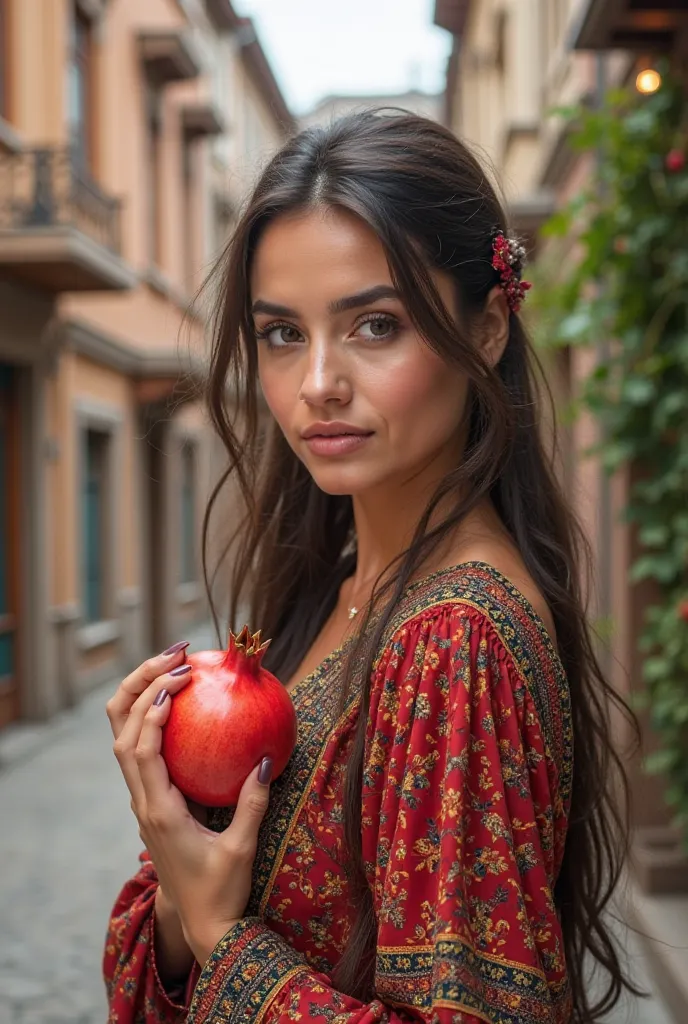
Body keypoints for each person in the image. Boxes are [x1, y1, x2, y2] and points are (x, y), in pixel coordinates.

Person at [103, 111, 638, 1023]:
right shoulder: (340, 582)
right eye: (281, 334)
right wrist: (182, 871)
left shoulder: (455, 639)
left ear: (493, 326)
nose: (317, 382)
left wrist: (220, 933)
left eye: (375, 325)